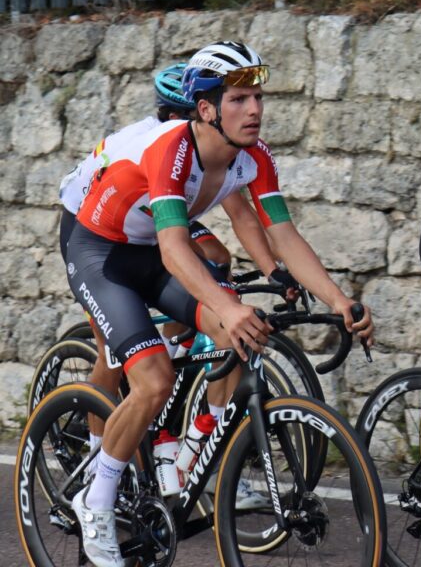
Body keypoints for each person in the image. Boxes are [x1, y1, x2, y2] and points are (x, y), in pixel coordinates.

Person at [66, 41, 375, 567]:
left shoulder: (254, 156)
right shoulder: (172, 149)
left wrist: (340, 299)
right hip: (100, 250)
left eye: (258, 97)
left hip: (148, 250)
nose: (255, 109)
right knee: (155, 378)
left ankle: (187, 458)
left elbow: (283, 233)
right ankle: (94, 502)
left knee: (237, 332)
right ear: (205, 109)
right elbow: (173, 247)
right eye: (239, 99)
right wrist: (226, 306)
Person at [57, 64, 296, 510]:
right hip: (90, 228)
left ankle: (185, 420)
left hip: (149, 225)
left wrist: (273, 271)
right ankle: (95, 463)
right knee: (116, 354)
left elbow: (240, 213)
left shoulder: (213, 148)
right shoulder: (164, 142)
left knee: (215, 263)